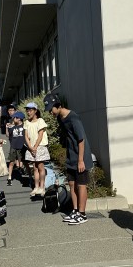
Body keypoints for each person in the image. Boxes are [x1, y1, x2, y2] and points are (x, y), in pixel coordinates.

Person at [44, 94, 93, 225]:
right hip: (71, 155)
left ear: (58, 106)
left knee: (81, 185)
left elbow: (81, 140)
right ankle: (75, 210)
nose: (50, 113)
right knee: (71, 183)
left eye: (51, 109)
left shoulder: (73, 118)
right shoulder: (60, 118)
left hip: (80, 156)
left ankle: (82, 214)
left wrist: (81, 160)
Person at [23, 102, 50, 197]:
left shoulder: (40, 121)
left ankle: (42, 187)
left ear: (35, 111)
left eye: (30, 110)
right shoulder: (26, 122)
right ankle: (36, 187)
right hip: (31, 147)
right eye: (27, 110)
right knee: (34, 167)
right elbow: (26, 136)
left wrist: (35, 147)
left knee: (40, 167)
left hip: (40, 146)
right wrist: (30, 147)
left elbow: (40, 135)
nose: (28, 112)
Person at [6, 111, 25, 186]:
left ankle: (27, 175)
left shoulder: (24, 127)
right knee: (11, 162)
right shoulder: (12, 127)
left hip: (21, 146)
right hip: (13, 146)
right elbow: (8, 135)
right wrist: (7, 128)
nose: (13, 119)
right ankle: (9, 177)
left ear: (19, 119)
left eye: (15, 118)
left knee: (23, 161)